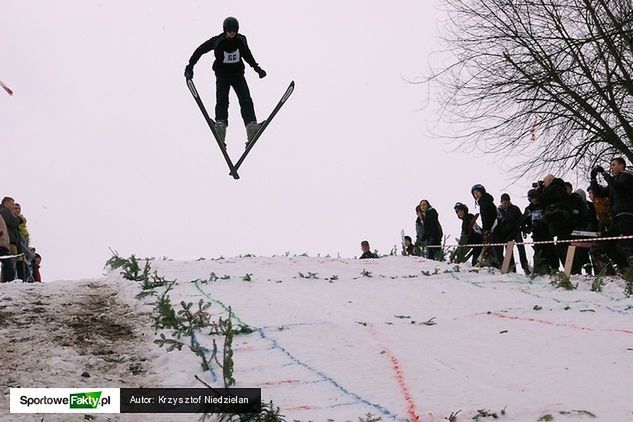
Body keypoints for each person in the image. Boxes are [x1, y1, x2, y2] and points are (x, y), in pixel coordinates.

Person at [185, 16, 267, 144]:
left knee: (246, 100)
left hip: (237, 75)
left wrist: (257, 69)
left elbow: (247, 55)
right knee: (222, 100)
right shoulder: (218, 41)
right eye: (229, 30)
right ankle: (220, 127)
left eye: (234, 30)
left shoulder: (241, 40)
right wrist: (190, 66)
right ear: (225, 30)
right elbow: (200, 50)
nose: (232, 33)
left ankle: (251, 127)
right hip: (222, 75)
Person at [590, 157, 633, 271]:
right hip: (615, 218)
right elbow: (599, 193)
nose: (611, 168)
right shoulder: (613, 182)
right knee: (607, 245)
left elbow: (617, 184)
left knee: (630, 244)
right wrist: (593, 178)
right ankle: (626, 268)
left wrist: (604, 173)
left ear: (621, 165)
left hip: (627, 215)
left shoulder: (627, 176)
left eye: (613, 165)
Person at [521, 189, 560, 274]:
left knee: (551, 252)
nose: (533, 200)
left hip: (547, 233)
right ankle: (539, 271)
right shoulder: (529, 209)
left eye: (534, 198)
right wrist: (526, 228)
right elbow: (524, 221)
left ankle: (555, 269)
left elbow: (552, 217)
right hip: (536, 234)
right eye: (531, 198)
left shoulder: (544, 206)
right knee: (539, 253)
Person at [471, 184, 504, 267]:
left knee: (494, 248)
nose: (476, 194)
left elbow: (486, 217)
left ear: (482, 191)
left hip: (494, 227)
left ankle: (498, 266)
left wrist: (486, 229)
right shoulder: (486, 200)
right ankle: (497, 265)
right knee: (494, 248)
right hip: (494, 227)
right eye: (474, 193)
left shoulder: (484, 201)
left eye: (478, 192)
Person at [498, 193, 530, 274]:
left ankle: (525, 267)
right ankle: (512, 268)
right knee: (509, 251)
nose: (506, 204)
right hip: (506, 233)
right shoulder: (498, 211)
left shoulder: (515, 208)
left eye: (507, 203)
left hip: (516, 231)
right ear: (501, 202)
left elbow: (521, 220)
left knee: (521, 248)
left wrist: (523, 230)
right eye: (504, 203)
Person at [0, 197, 20, 281]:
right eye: (12, 204)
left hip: (5, 243)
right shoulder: (5, 211)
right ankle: (7, 282)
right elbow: (12, 222)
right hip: (5, 243)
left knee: (7, 264)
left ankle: (6, 282)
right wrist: (18, 218)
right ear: (6, 204)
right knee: (9, 264)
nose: (13, 206)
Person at [0, 214, 12, 282]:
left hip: (4, 245)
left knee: (8, 266)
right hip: (1, 245)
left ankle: (8, 282)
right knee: (8, 265)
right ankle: (8, 282)